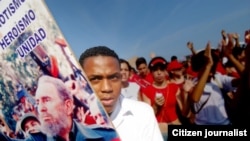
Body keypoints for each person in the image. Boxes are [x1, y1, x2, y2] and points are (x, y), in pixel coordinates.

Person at [79, 46, 163, 141]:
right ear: (82, 81)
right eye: (96, 79)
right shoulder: (72, 123)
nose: (107, 88)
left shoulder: (143, 113)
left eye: (114, 77)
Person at [35, 75, 120, 141]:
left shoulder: (108, 136)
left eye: (46, 100)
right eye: (38, 102)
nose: (41, 109)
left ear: (67, 106)